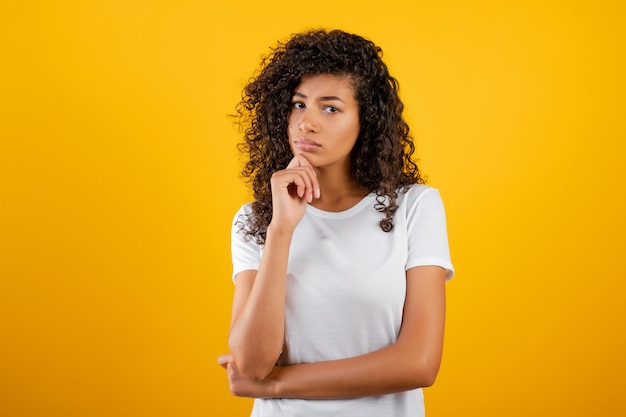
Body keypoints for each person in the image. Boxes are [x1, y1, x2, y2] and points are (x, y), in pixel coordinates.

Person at [218, 29, 454, 417]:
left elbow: (419, 363)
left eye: (330, 108)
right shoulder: (256, 220)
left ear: (367, 121)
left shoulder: (414, 208)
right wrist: (281, 231)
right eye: (298, 104)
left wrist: (277, 384)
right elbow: (252, 363)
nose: (306, 123)